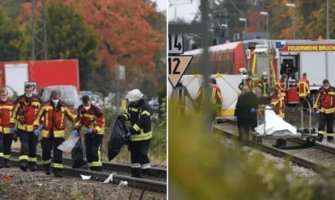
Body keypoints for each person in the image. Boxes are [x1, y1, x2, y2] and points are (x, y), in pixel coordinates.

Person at [33, 90, 77, 176]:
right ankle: (46, 166)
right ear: (51, 97)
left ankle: (58, 171)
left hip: (59, 134)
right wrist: (36, 127)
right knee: (46, 152)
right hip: (47, 134)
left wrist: (77, 126)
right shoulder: (45, 106)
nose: (55, 99)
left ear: (59, 97)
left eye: (57, 98)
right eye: (54, 98)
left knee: (58, 153)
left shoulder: (64, 107)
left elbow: (73, 116)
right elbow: (37, 117)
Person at [118, 89, 152, 177]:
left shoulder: (145, 107)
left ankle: (146, 173)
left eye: (132, 101)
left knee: (142, 154)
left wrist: (132, 130)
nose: (131, 102)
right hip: (134, 136)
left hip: (143, 136)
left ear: (137, 99)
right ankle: (135, 173)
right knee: (134, 155)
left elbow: (143, 121)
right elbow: (128, 113)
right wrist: (123, 117)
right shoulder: (132, 105)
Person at [12, 84, 41, 171]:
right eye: (27, 91)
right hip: (23, 128)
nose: (28, 92)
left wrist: (41, 125)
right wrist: (13, 124)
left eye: (30, 91)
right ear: (24, 91)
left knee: (33, 146)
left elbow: (42, 113)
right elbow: (14, 113)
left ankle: (32, 164)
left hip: (34, 128)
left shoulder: (38, 100)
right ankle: (23, 163)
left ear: (32, 90)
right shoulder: (20, 100)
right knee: (25, 145)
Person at [72, 95, 105, 171]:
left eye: (87, 105)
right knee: (88, 151)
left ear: (90, 102)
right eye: (84, 105)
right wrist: (76, 128)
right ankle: (92, 168)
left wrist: (93, 130)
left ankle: (98, 168)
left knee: (95, 150)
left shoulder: (97, 110)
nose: (86, 106)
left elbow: (100, 123)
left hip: (98, 132)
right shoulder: (81, 109)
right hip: (88, 131)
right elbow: (79, 120)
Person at [0, 88, 15, 168]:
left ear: (7, 95)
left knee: (7, 146)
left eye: (5, 95)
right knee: (0, 145)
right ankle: (1, 162)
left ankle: (6, 162)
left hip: (9, 128)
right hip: (0, 129)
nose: (3, 96)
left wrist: (13, 126)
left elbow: (15, 116)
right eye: (2, 95)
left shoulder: (11, 104)